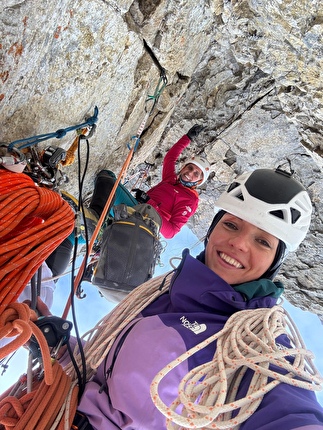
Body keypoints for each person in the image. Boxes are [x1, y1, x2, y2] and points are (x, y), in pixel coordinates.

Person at [54, 167, 323, 429]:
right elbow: (103, 364)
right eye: (231, 224)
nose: (239, 243)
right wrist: (59, 345)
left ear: (274, 263)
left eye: (263, 241)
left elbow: (290, 412)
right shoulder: (161, 293)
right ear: (211, 231)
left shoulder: (259, 346)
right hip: (54, 409)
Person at [89, 124, 211, 239]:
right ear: (184, 167)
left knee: (107, 182)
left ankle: (96, 223)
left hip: (144, 221)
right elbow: (170, 157)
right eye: (190, 168)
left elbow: (171, 232)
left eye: (196, 174)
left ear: (199, 181)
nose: (190, 173)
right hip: (136, 208)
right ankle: (100, 223)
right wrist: (187, 138)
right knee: (107, 176)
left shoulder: (190, 199)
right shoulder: (171, 180)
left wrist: (149, 202)